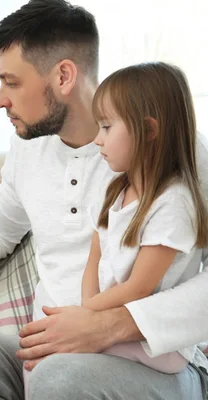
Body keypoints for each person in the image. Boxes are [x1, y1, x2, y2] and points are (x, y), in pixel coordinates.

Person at [0, 1, 208, 399]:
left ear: (63, 76)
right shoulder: (28, 151)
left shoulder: (176, 153)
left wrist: (114, 324)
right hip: (50, 351)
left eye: (12, 82)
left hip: (148, 358)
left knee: (61, 379)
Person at [80, 62, 208, 374]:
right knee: (39, 360)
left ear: (149, 130)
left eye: (107, 127)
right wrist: (85, 311)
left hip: (154, 343)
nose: (97, 139)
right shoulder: (114, 189)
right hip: (106, 319)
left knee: (51, 361)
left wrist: (86, 318)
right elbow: (94, 258)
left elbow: (139, 287)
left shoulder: (174, 204)